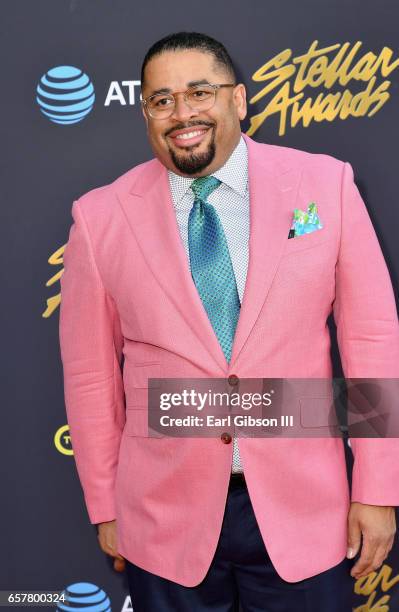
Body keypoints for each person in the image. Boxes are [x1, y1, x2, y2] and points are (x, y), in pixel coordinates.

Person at [59, 31, 399, 611]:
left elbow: (369, 341)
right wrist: (107, 503)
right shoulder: (99, 217)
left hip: (305, 514)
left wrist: (377, 488)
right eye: (161, 100)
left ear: (238, 100)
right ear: (145, 113)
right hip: (162, 520)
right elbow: (91, 377)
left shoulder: (325, 185)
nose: (182, 113)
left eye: (199, 92)